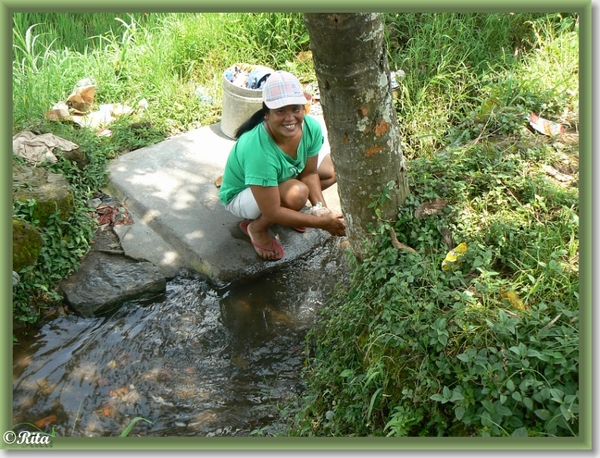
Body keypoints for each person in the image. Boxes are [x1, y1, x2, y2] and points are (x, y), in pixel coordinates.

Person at [219, 70, 346, 261]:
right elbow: (272, 211)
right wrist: (321, 224)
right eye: (280, 111)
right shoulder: (258, 149)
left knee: (332, 169)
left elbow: (310, 173)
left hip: (278, 180)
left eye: (295, 109)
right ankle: (256, 228)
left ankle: (292, 210)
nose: (290, 119)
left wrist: (321, 210)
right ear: (266, 114)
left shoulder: (311, 128)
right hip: (241, 196)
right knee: (298, 194)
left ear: (304, 108)